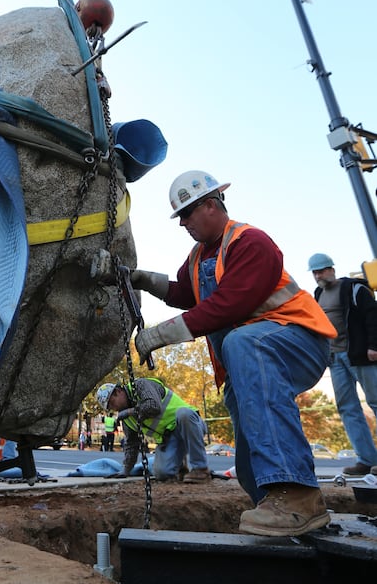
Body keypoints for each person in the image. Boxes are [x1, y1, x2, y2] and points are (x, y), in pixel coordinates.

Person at [128, 169, 337, 537]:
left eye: (187, 214)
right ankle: (276, 506)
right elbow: (184, 293)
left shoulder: (250, 241)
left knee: (240, 342)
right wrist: (144, 279)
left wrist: (160, 334)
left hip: (298, 340)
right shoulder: (197, 258)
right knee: (248, 458)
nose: (183, 225)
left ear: (211, 205)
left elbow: (229, 304)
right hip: (250, 359)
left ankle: (299, 496)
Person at [308, 253, 377, 476]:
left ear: (332, 269)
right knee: (348, 408)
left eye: (322, 270)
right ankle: (366, 460)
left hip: (359, 355)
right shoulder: (318, 294)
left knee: (375, 402)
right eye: (315, 272)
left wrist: (374, 346)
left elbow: (373, 316)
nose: (319, 275)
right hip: (335, 359)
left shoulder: (353, 289)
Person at [96, 377, 210, 482]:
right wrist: (126, 470)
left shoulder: (140, 385)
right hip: (169, 439)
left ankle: (201, 469)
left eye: (112, 403)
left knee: (184, 414)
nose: (113, 408)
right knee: (162, 473)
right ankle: (180, 466)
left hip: (190, 425)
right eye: (110, 408)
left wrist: (131, 411)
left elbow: (153, 406)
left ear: (118, 392)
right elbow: (131, 443)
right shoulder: (126, 418)